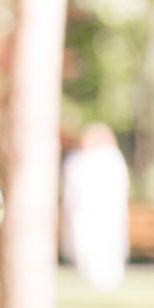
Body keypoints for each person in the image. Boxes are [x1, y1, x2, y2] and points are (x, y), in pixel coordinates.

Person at [61, 122, 130, 291]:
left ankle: (104, 279)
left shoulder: (106, 158)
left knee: (104, 243)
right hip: (87, 214)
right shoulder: (82, 160)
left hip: (100, 214)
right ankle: (91, 276)